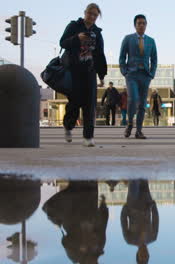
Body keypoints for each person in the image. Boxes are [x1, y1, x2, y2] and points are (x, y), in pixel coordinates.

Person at [61, 3, 107, 147]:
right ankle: (68, 126)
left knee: (89, 104)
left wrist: (101, 74)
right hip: (74, 71)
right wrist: (77, 38)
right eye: (90, 13)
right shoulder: (74, 26)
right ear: (85, 12)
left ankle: (88, 137)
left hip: (89, 71)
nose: (92, 17)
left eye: (95, 15)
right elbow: (62, 43)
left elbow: (100, 54)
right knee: (74, 103)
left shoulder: (97, 32)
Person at [42, 181, 109, 264]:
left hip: (73, 213)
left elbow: (65, 242)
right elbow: (102, 225)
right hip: (90, 203)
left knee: (75, 187)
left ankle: (76, 174)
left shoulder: (75, 257)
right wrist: (103, 207)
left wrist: (79, 245)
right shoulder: (99, 248)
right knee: (89, 183)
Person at [120, 14, 158, 139]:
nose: (141, 25)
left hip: (145, 75)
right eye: (139, 23)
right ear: (135, 25)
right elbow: (122, 57)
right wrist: (124, 71)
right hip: (132, 75)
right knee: (133, 99)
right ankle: (130, 123)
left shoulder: (151, 41)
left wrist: (151, 74)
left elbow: (154, 59)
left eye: (143, 23)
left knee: (142, 103)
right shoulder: (128, 39)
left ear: (146, 25)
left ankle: (139, 130)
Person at [121, 180, 159, 264]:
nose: (144, 253)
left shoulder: (130, 240)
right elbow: (155, 221)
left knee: (134, 180)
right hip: (146, 202)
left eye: (142, 256)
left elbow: (123, 222)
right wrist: (153, 206)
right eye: (146, 256)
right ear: (149, 254)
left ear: (137, 254)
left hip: (133, 203)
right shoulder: (153, 237)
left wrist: (125, 208)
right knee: (144, 179)